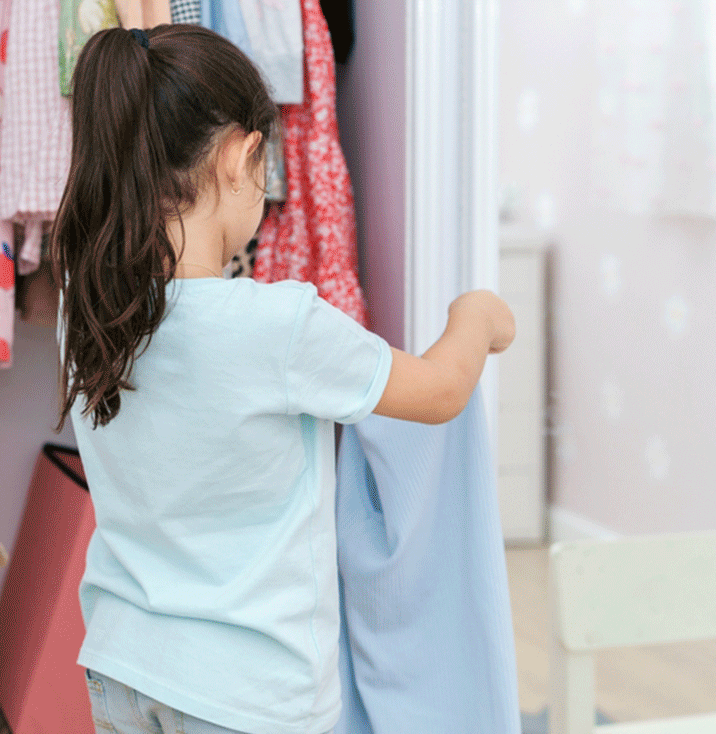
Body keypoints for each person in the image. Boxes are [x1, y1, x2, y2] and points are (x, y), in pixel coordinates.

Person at [52, 24, 514, 734]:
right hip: (246, 696)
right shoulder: (279, 326)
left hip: (123, 667)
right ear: (242, 158)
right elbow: (440, 392)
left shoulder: (88, 308)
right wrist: (475, 316)